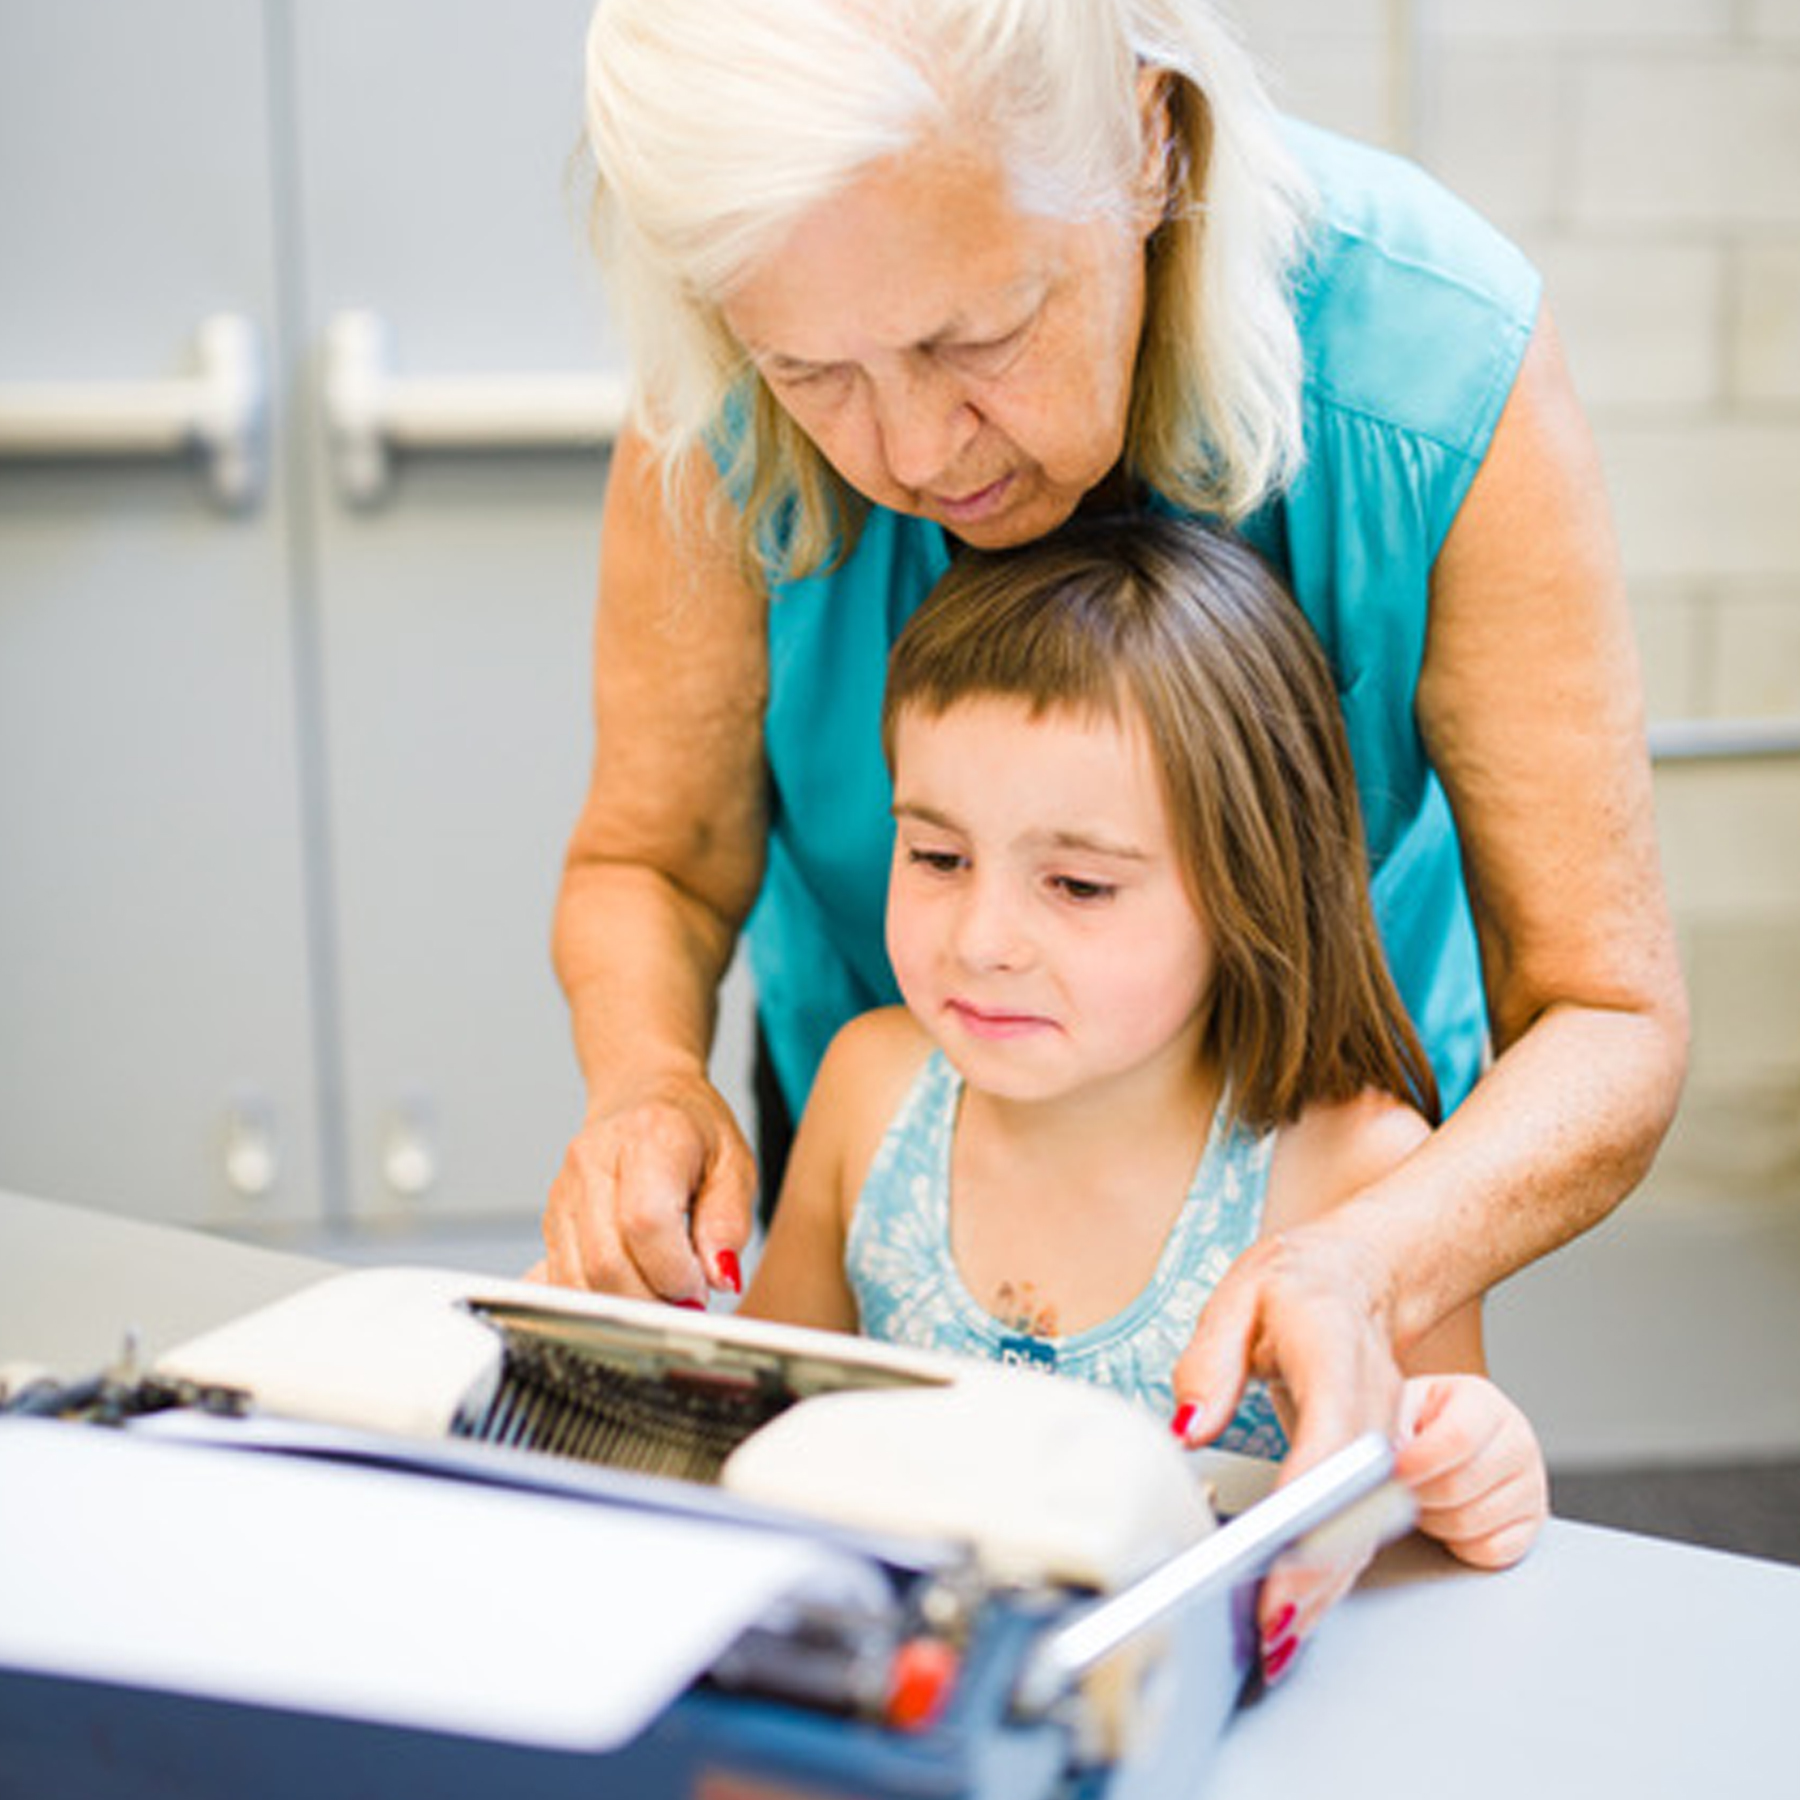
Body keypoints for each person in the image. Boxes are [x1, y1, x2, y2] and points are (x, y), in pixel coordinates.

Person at [542, 0, 1684, 1519]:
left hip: (1325, 1181)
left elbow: (1608, 1011)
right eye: (812, 372)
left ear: (1152, 139)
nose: (912, 453)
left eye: (978, 338)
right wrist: (643, 1083)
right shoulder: (716, 399)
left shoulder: (1435, 365)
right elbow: (653, 861)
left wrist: (1360, 1260)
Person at [733, 514, 1548, 1673]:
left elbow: (1409, 1543)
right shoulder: (869, 1088)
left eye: (1075, 882)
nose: (983, 939)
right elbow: (761, 1425)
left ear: (1244, 887)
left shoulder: (1356, 1173)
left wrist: (1472, 1466)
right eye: (937, 857)